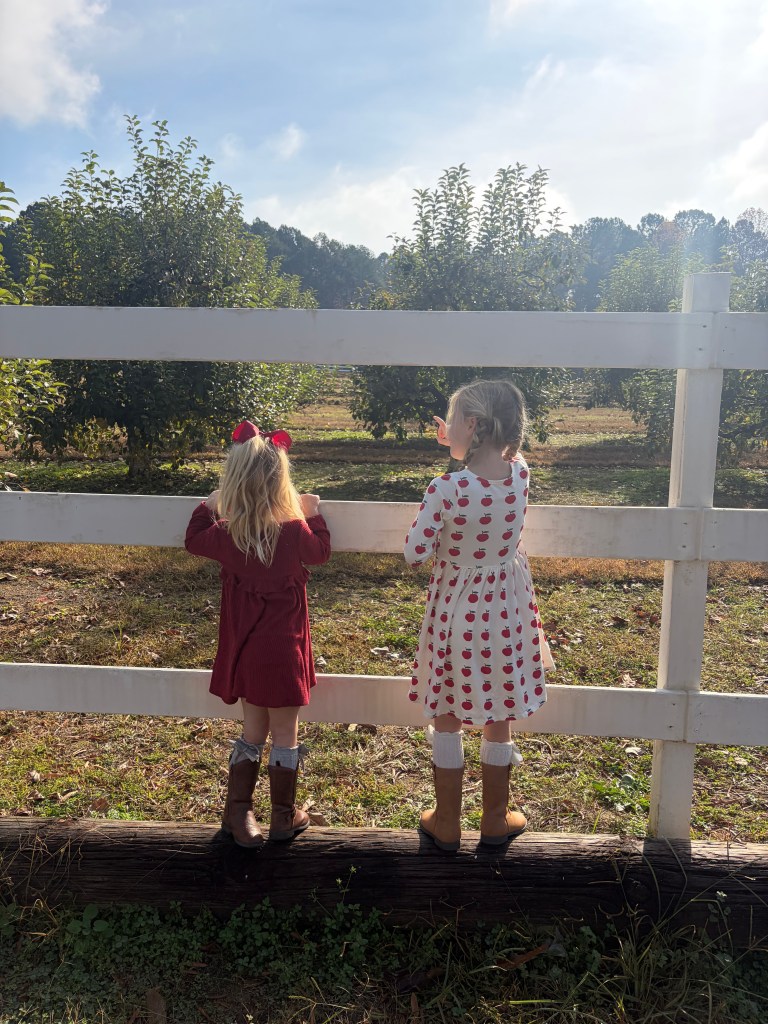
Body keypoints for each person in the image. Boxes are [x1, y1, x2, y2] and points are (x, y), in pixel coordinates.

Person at [404, 379, 552, 851]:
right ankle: (493, 817)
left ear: (471, 425)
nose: (444, 431)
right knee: (500, 710)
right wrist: (460, 443)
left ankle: (446, 819)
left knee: (447, 710)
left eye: (451, 423)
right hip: (506, 613)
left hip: (457, 614)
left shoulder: (446, 488)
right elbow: (491, 463)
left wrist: (453, 457)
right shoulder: (521, 474)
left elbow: (414, 552)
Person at [185, 420, 331, 848]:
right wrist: (314, 513)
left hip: (246, 651)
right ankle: (283, 817)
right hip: (286, 653)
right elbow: (320, 553)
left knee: (252, 729)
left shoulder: (227, 534)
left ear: (233, 482)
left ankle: (240, 811)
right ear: (281, 482)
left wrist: (209, 505)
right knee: (285, 731)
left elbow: (193, 540)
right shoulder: (292, 531)